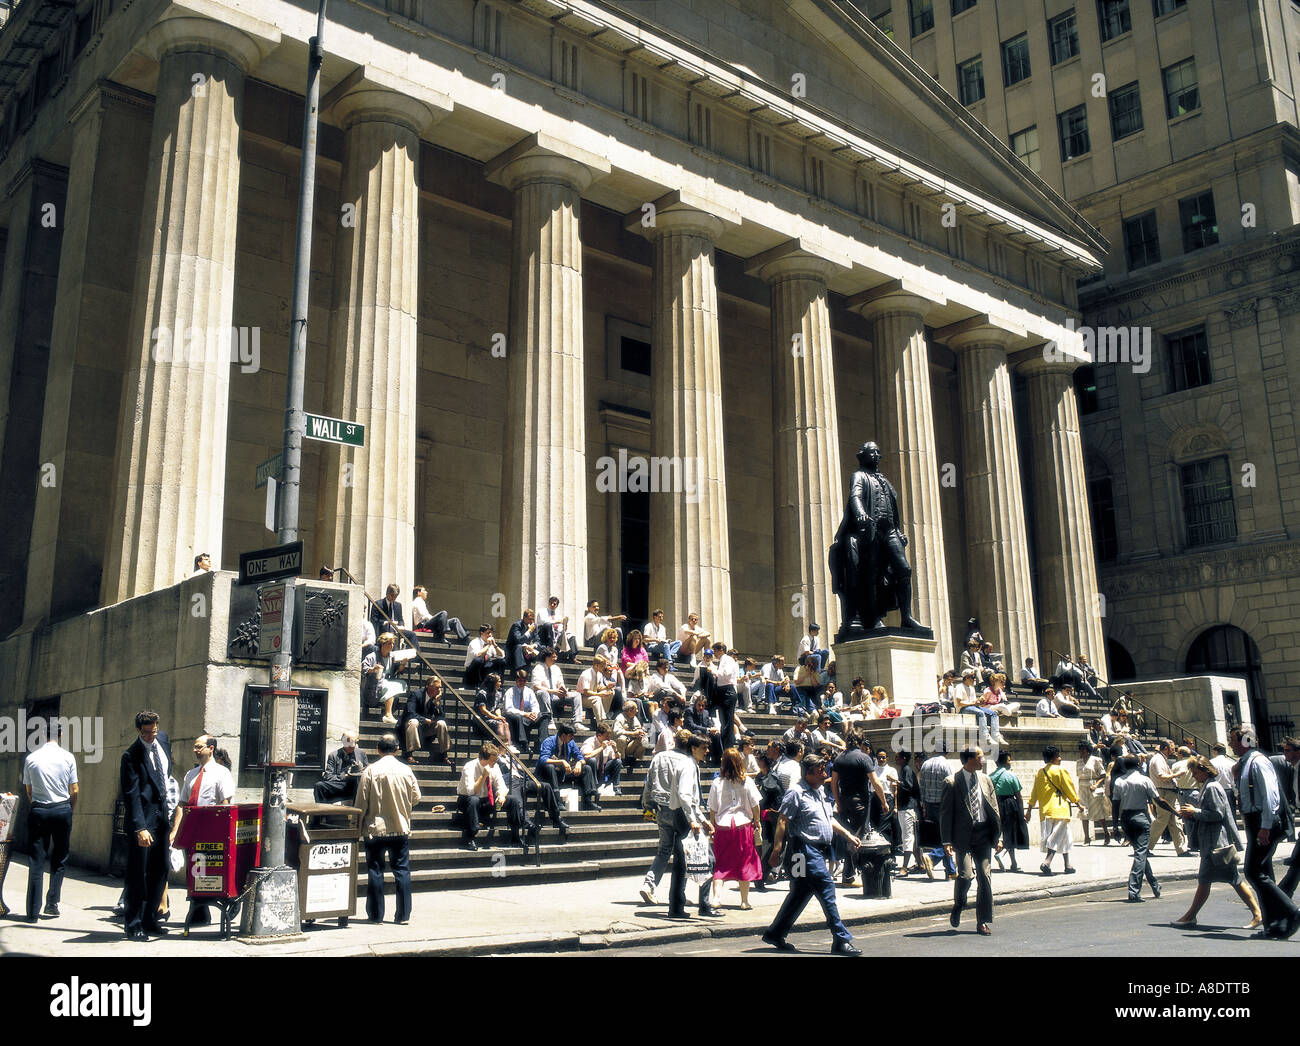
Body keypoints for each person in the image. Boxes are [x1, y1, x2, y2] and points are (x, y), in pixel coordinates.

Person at [762, 754, 862, 956]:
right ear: (808, 773)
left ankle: (776, 933)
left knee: (800, 893)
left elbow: (829, 819)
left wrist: (848, 834)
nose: (825, 773)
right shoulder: (796, 792)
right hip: (804, 850)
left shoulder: (820, 792)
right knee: (826, 889)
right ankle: (840, 939)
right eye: (820, 770)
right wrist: (776, 850)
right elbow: (782, 821)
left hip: (816, 851)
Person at [1171, 755, 1262, 930]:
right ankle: (1191, 916)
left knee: (1219, 879)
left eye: (1196, 772)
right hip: (1211, 842)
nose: (1194, 776)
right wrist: (1192, 813)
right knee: (1221, 879)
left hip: (1215, 842)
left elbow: (1217, 814)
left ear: (1205, 771)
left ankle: (1190, 916)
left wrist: (1195, 811)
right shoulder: (1208, 786)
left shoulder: (1212, 787)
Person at [639, 731, 718, 917]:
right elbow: (685, 796)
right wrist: (693, 820)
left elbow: (651, 784)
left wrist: (703, 819)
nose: (707, 751)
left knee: (679, 862)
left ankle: (677, 906)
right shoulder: (687, 765)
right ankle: (703, 906)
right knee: (708, 859)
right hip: (683, 817)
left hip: (670, 812)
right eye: (703, 748)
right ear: (692, 748)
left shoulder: (683, 763)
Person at [1231, 725, 1300, 938]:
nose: (1232, 744)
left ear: (1246, 742)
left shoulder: (1258, 761)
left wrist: (1265, 826)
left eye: (1234, 739)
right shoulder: (1245, 763)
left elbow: (1271, 796)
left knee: (1254, 871)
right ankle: (1274, 925)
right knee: (1264, 872)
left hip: (1263, 821)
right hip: (1255, 821)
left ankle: (1291, 911)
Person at [354, 734, 420, 922]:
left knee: (375, 870)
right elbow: (416, 797)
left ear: (378, 749)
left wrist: (360, 826)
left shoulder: (371, 771)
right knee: (402, 870)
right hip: (400, 827)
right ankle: (403, 915)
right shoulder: (406, 770)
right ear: (397, 749)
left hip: (375, 829)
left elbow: (361, 803)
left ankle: (375, 915)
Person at [120, 710, 173, 941]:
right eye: (146, 733)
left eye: (153, 731)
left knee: (160, 869)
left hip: (162, 818)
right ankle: (133, 923)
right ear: (138, 730)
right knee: (137, 873)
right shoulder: (131, 755)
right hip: (143, 820)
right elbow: (131, 795)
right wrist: (139, 827)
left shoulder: (163, 741)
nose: (151, 736)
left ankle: (151, 917)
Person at [940, 746, 1000, 935]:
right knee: (966, 876)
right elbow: (946, 813)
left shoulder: (986, 780)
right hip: (963, 837)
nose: (982, 760)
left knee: (985, 877)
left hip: (983, 834)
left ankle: (982, 921)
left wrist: (999, 837)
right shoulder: (952, 782)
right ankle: (959, 904)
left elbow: (995, 809)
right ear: (969, 760)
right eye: (979, 757)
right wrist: (946, 841)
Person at [22, 723, 78, 921]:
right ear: (61, 734)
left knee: (36, 860)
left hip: (39, 809)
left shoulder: (31, 758)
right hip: (62, 809)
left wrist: (37, 805)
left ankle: (32, 911)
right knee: (60, 857)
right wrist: (70, 809)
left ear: (42, 735)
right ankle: (52, 903)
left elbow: (28, 789)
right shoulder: (68, 757)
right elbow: (75, 790)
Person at [831, 730, 889, 886]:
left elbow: (834, 783)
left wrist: (838, 801)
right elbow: (876, 782)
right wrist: (884, 801)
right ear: (860, 741)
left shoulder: (839, 758)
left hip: (844, 801)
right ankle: (849, 875)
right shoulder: (864, 758)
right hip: (860, 803)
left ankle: (851, 871)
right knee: (857, 836)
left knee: (849, 835)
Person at [1112, 755, 1172, 902]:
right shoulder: (1145, 780)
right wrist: (1175, 811)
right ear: (1139, 765)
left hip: (1126, 819)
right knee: (1140, 854)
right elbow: (1158, 800)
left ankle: (1154, 884)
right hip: (1141, 818)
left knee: (1141, 852)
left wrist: (1115, 826)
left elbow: (1115, 805)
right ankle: (1133, 890)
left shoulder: (1119, 781)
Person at [708, 747, 763, 909]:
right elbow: (755, 805)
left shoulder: (717, 783)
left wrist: (712, 826)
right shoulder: (747, 781)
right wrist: (757, 821)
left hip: (723, 826)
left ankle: (716, 898)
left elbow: (713, 808)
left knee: (721, 864)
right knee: (744, 863)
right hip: (743, 826)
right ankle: (744, 901)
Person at [1025, 745, 1079, 875]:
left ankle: (1068, 865)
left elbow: (1034, 793)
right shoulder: (1060, 770)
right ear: (1054, 757)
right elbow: (1068, 788)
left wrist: (1029, 809)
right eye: (1059, 756)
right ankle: (1047, 862)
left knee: (1065, 836)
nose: (1060, 758)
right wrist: (1077, 803)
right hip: (1060, 809)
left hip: (1045, 810)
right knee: (1056, 836)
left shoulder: (1040, 772)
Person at [536, 722, 602, 811]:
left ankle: (588, 800)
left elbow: (580, 757)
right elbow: (543, 759)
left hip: (563, 774)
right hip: (548, 775)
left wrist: (579, 763)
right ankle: (556, 801)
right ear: (563, 735)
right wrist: (562, 761)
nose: (573, 738)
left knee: (586, 768)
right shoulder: (549, 741)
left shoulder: (571, 743)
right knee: (550, 766)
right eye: (571, 736)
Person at [455, 741, 505, 851]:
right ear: (483, 759)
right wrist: (483, 776)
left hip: (485, 801)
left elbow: (502, 785)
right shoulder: (470, 766)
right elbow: (471, 791)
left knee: (512, 800)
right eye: (492, 760)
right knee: (474, 800)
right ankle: (469, 837)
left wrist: (501, 795)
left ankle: (515, 835)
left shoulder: (495, 766)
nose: (495, 762)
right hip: (466, 800)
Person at [1147, 738, 1189, 856]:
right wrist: (1177, 774)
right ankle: (1145, 846)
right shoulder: (1158, 759)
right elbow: (1161, 776)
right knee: (1162, 820)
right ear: (1165, 748)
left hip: (1168, 792)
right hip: (1163, 792)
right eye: (1172, 748)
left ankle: (1181, 849)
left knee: (1175, 821)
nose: (1174, 750)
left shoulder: (1161, 759)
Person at [399, 679, 451, 765]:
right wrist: (425, 720)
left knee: (441, 723)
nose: (439, 691)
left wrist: (437, 703)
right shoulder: (416, 694)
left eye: (440, 688)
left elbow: (442, 717)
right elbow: (410, 713)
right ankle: (409, 754)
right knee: (414, 721)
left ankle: (444, 755)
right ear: (428, 687)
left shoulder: (435, 698)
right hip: (412, 727)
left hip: (426, 729)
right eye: (437, 688)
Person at [989, 751, 1026, 872]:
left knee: (1000, 832)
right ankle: (1003, 854)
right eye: (1009, 760)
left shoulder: (990, 777)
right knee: (1011, 833)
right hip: (1010, 804)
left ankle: (1013, 863)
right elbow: (1019, 796)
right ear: (1005, 761)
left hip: (996, 805)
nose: (1010, 763)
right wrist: (1022, 813)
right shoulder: (1011, 776)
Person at [1274, 736, 1300, 899]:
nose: (1285, 755)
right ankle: (1283, 895)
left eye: (1288, 751)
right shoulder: (1295, 769)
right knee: (1297, 863)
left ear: (1298, 752)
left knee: (1297, 861)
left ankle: (1282, 896)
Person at [362, 632, 407, 724]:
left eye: (393, 643)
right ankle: (388, 715)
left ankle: (388, 714)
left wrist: (403, 663)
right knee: (390, 686)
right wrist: (373, 669)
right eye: (389, 643)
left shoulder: (392, 656)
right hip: (373, 686)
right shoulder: (372, 656)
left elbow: (398, 670)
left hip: (386, 682)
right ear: (383, 644)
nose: (392, 646)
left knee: (401, 684)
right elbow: (364, 670)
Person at [504, 668, 551, 753]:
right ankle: (524, 743)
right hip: (516, 718)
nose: (522, 683)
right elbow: (508, 709)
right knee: (517, 716)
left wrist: (534, 714)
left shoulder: (529, 691)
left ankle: (542, 744)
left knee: (545, 716)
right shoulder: (510, 692)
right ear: (516, 680)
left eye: (524, 681)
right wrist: (524, 714)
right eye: (519, 680)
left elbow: (535, 706)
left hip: (528, 717)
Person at [314, 731, 367, 803]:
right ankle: (321, 812)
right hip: (340, 784)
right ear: (344, 743)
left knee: (358, 782)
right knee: (319, 786)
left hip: (356, 785)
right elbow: (328, 776)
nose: (353, 745)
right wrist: (345, 776)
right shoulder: (333, 755)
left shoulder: (361, 753)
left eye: (355, 742)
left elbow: (366, 772)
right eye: (350, 743)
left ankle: (357, 811)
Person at [894, 749, 922, 876]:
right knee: (911, 837)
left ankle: (904, 867)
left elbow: (908, 787)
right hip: (904, 807)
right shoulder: (904, 770)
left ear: (904, 758)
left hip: (908, 808)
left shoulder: (907, 770)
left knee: (908, 837)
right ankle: (920, 864)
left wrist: (896, 782)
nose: (896, 760)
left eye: (898, 757)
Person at [1076, 741, 1111, 845]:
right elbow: (1079, 776)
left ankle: (1106, 833)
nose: (1081, 751)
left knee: (1099, 812)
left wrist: (1096, 785)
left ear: (1087, 750)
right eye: (1080, 749)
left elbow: (1103, 775)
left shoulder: (1096, 760)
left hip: (1093, 786)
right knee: (1083, 812)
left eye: (1083, 749)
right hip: (1083, 787)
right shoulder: (1078, 762)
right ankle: (1086, 837)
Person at [711, 641, 741, 749]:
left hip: (727, 692)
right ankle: (724, 747)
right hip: (721, 691)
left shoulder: (728, 660)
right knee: (723, 722)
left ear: (721, 650)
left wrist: (713, 670)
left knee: (727, 723)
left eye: (715, 651)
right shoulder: (722, 660)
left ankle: (728, 747)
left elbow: (726, 675)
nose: (714, 653)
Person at [578, 654, 622, 727]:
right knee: (597, 698)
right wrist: (599, 694)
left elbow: (598, 687)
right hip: (582, 697)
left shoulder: (599, 674)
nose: (603, 668)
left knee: (611, 693)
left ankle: (603, 714)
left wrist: (607, 687)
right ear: (596, 665)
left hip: (592, 695)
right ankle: (600, 721)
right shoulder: (586, 674)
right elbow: (586, 692)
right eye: (602, 666)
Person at [582, 723, 624, 795]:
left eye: (609, 736)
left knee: (618, 762)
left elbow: (616, 758)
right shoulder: (589, 741)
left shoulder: (608, 743)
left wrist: (615, 750)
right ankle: (594, 786)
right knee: (592, 760)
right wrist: (601, 748)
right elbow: (587, 756)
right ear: (599, 735)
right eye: (606, 736)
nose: (608, 738)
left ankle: (616, 787)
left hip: (602, 769)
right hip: (591, 770)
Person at [473, 674, 512, 747]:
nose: (500, 683)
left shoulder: (498, 693)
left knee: (506, 724)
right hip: (482, 719)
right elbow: (483, 710)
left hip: (492, 718)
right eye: (499, 681)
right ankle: (502, 747)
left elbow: (497, 708)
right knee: (500, 724)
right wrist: (495, 717)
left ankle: (508, 746)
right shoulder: (482, 693)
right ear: (493, 683)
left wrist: (499, 716)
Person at [464, 625, 506, 689]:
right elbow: (478, 654)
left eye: (491, 633)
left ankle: (499, 684)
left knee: (501, 661)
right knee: (478, 660)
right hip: (472, 671)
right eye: (488, 633)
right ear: (482, 633)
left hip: (485, 668)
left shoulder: (490, 643)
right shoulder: (474, 642)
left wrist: (495, 645)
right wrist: (488, 645)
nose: (490, 635)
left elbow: (502, 655)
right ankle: (476, 684)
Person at [537, 595, 578, 661]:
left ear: (557, 605)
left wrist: (564, 627)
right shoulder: (542, 612)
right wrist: (556, 621)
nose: (552, 605)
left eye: (554, 604)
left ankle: (573, 657)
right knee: (548, 625)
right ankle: (550, 650)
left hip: (557, 636)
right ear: (548, 603)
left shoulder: (558, 615)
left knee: (571, 636)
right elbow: (543, 622)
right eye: (551, 603)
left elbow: (560, 628)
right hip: (545, 635)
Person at [505, 609, 542, 673]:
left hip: (526, 649)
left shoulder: (534, 625)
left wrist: (533, 645)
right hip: (513, 650)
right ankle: (521, 669)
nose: (531, 621)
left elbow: (537, 640)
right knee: (519, 646)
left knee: (542, 647)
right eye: (529, 619)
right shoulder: (517, 625)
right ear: (524, 618)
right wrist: (529, 631)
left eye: (533, 619)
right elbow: (519, 640)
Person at [620, 629, 651, 695]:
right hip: (630, 672)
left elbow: (645, 662)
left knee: (645, 669)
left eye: (639, 638)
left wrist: (641, 667)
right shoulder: (626, 650)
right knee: (640, 669)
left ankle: (645, 690)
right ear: (631, 639)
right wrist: (638, 665)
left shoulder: (642, 650)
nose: (637, 640)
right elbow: (627, 663)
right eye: (635, 638)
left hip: (641, 671)